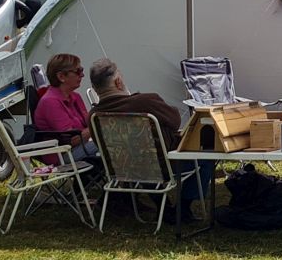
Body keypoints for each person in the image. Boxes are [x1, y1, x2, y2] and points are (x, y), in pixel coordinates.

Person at [89, 57, 213, 221]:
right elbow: (175, 121)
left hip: (123, 169)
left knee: (142, 154)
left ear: (95, 88)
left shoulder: (94, 116)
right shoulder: (144, 101)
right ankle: (183, 207)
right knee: (208, 152)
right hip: (163, 166)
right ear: (118, 82)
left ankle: (165, 207)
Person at [33, 52, 98, 163]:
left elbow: (88, 124)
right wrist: (100, 126)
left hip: (80, 147)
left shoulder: (75, 96)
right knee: (108, 141)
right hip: (63, 156)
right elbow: (72, 140)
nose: (82, 75)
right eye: (78, 71)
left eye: (81, 70)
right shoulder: (50, 102)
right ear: (61, 77)